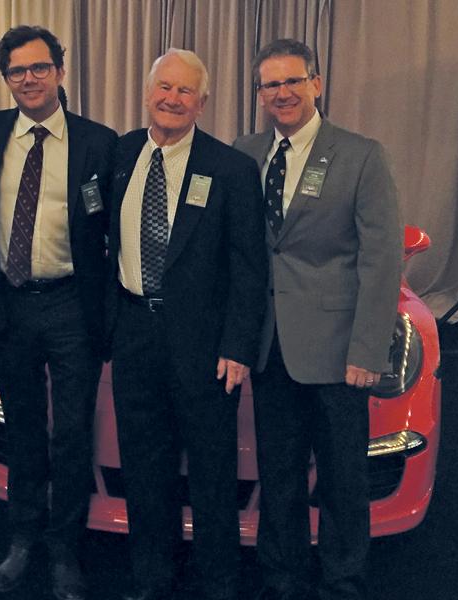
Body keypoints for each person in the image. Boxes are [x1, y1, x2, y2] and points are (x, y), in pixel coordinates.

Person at [233, 39, 402, 600]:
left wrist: (367, 351)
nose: (281, 93)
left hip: (336, 351)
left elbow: (381, 263)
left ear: (316, 83)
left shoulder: (360, 155)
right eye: (269, 85)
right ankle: (280, 578)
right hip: (268, 345)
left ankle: (342, 581)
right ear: (258, 94)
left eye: (292, 81)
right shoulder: (246, 152)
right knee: (277, 474)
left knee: (340, 480)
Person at [106, 49, 267, 600]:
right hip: (133, 333)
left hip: (204, 345)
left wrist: (239, 344)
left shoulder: (231, 169)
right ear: (147, 92)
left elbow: (250, 268)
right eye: (163, 88)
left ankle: (217, 581)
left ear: (203, 101)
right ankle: (151, 577)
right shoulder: (121, 153)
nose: (172, 99)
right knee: (144, 466)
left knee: (211, 471)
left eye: (184, 91)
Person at [0, 25, 117, 600]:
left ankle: (64, 549)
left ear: (59, 70)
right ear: (6, 78)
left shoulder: (99, 143)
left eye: (39, 67)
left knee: (73, 433)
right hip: (10, 307)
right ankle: (22, 539)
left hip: (72, 308)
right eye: (16, 71)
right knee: (24, 429)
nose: (28, 79)